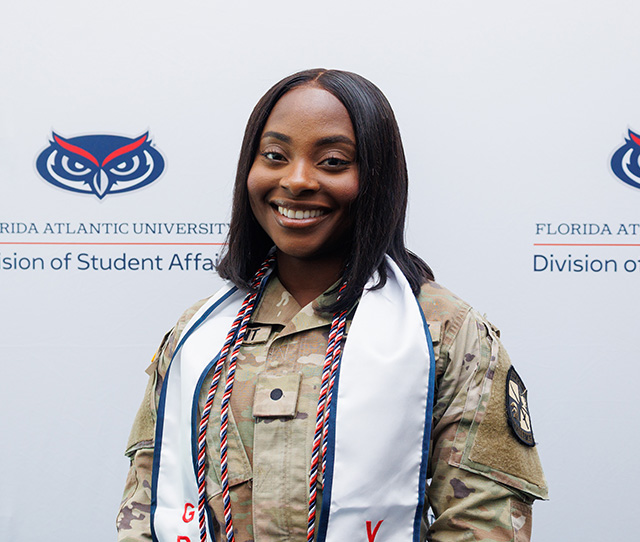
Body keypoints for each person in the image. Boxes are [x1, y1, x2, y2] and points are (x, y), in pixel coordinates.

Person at [116, 69, 548, 542]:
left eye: (333, 162)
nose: (297, 180)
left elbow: (482, 526)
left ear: (378, 179)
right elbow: (147, 503)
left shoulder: (445, 334)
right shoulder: (198, 336)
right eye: (275, 156)